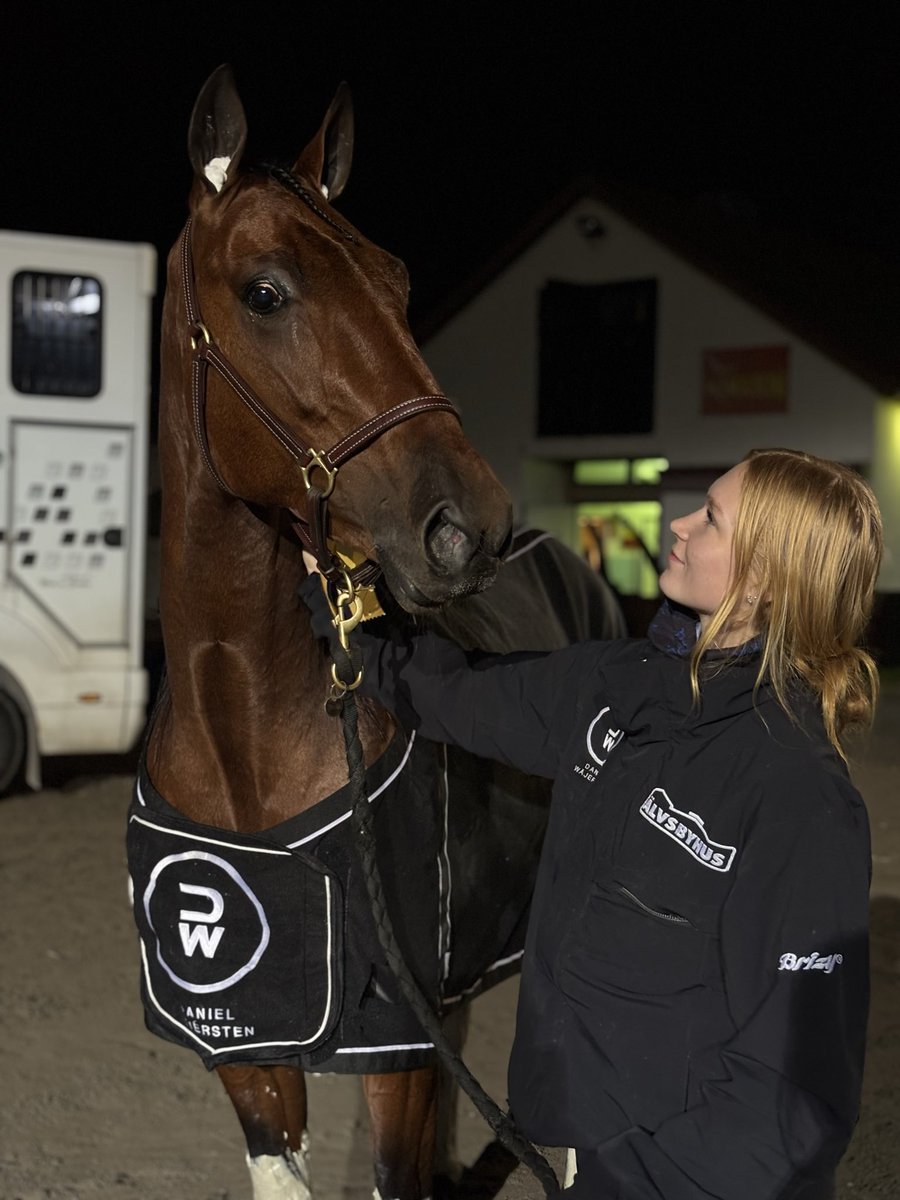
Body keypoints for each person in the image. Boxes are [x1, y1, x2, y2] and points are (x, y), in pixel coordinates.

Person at [301, 448, 883, 1200]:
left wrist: (630, 1179)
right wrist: (344, 618)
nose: (679, 523)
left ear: (767, 581)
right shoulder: (622, 683)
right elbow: (459, 695)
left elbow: (793, 1095)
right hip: (586, 1142)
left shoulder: (802, 799)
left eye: (709, 518)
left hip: (679, 1177)